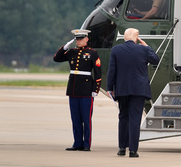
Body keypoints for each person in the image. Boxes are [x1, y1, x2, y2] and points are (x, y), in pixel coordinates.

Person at [107, 28, 160, 158]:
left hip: (122, 89)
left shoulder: (116, 50)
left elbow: (111, 71)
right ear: (137, 38)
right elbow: (156, 60)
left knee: (123, 117)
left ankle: (121, 148)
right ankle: (133, 150)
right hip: (139, 90)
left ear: (124, 37)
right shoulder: (144, 50)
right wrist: (147, 46)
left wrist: (110, 88)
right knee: (135, 119)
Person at [53, 29, 102, 151]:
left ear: (87, 39)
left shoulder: (92, 53)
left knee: (86, 119)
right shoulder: (72, 52)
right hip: (73, 89)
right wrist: (64, 48)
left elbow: (98, 73)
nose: (78, 41)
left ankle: (86, 144)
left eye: (80, 39)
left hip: (86, 90)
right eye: (77, 39)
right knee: (75, 118)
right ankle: (77, 143)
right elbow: (56, 59)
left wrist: (95, 89)